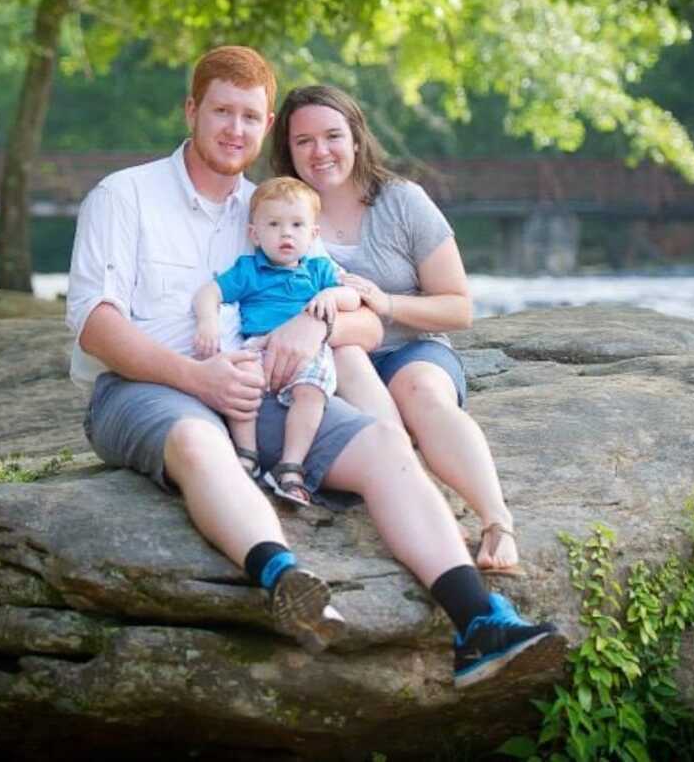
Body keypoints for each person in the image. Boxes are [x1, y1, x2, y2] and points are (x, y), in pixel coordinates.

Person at [66, 45, 562, 687]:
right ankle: (282, 574)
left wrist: (314, 326)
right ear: (191, 111)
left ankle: (478, 622)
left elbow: (359, 312)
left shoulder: (276, 208)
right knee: (197, 437)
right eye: (221, 111)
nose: (234, 129)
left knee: (384, 443)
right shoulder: (125, 196)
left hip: (266, 386)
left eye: (249, 116)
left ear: (265, 124)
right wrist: (196, 377)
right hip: (147, 388)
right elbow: (95, 325)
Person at [271, 84, 524, 577]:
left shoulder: (402, 201)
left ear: (357, 139)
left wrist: (386, 304)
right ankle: (427, 509)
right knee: (353, 404)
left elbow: (459, 308)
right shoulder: (278, 210)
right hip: (332, 362)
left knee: (422, 393)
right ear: (288, 150)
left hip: (411, 349)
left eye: (332, 136)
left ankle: (497, 522)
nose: (320, 151)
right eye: (304, 141)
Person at [193, 176, 360, 506]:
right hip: (258, 345)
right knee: (242, 383)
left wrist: (332, 295)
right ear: (254, 234)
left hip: (308, 352)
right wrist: (208, 321)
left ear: (313, 235)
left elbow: (353, 297)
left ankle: (291, 464)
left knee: (311, 392)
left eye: (297, 225)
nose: (286, 233)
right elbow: (209, 292)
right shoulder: (249, 270)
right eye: (274, 224)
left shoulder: (318, 270)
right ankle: (246, 454)